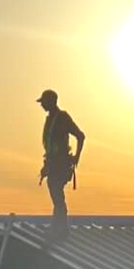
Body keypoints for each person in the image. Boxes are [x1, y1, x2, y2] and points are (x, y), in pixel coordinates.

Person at [36, 89, 85, 239]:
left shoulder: (62, 118)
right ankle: (58, 228)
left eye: (43, 102)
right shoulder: (50, 119)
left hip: (61, 164)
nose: (42, 105)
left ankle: (61, 230)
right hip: (53, 164)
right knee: (55, 193)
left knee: (57, 193)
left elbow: (80, 136)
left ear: (51, 102)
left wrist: (76, 157)